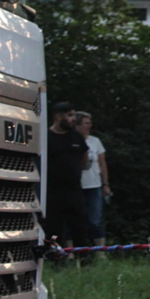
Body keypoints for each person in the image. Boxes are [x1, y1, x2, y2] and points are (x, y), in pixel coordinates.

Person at [44, 101, 91, 250]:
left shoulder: (76, 137)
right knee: (54, 228)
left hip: (74, 190)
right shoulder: (46, 137)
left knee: (79, 225)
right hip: (52, 191)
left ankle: (85, 259)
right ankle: (56, 258)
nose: (73, 119)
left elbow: (84, 157)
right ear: (58, 116)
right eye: (70, 115)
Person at [75, 112, 111, 248]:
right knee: (74, 220)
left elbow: (102, 164)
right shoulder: (71, 140)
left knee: (95, 220)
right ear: (77, 125)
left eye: (90, 123)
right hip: (76, 186)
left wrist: (105, 183)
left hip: (94, 185)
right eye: (86, 123)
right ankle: (72, 252)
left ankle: (100, 251)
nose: (89, 126)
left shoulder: (95, 141)